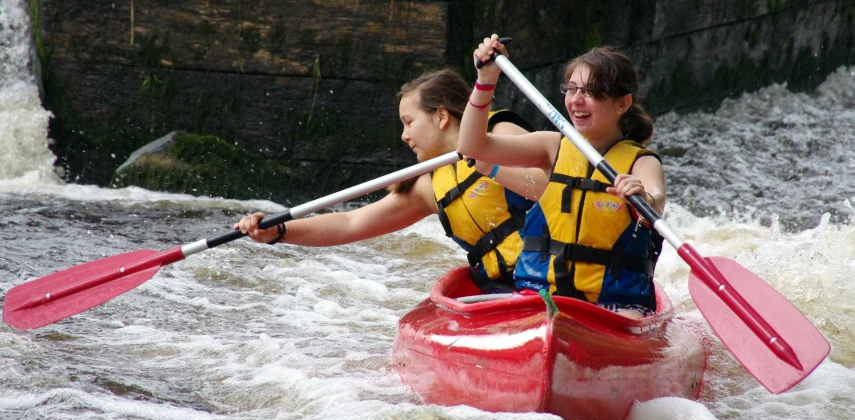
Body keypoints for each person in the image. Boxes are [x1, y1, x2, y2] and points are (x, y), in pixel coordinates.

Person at [235, 68, 548, 292]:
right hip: (504, 290)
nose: (404, 135)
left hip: (557, 277)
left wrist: (490, 164)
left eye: (409, 122)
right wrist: (279, 231)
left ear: (441, 117)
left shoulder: (501, 133)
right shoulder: (428, 187)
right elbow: (352, 223)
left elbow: (550, 187)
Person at [457, 35, 665, 317]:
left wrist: (642, 197)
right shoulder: (551, 147)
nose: (577, 100)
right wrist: (486, 80)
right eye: (571, 89)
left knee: (624, 320)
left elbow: (655, 200)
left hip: (615, 305)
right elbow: (472, 146)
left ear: (622, 103)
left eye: (591, 92)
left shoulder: (642, 161)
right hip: (540, 294)